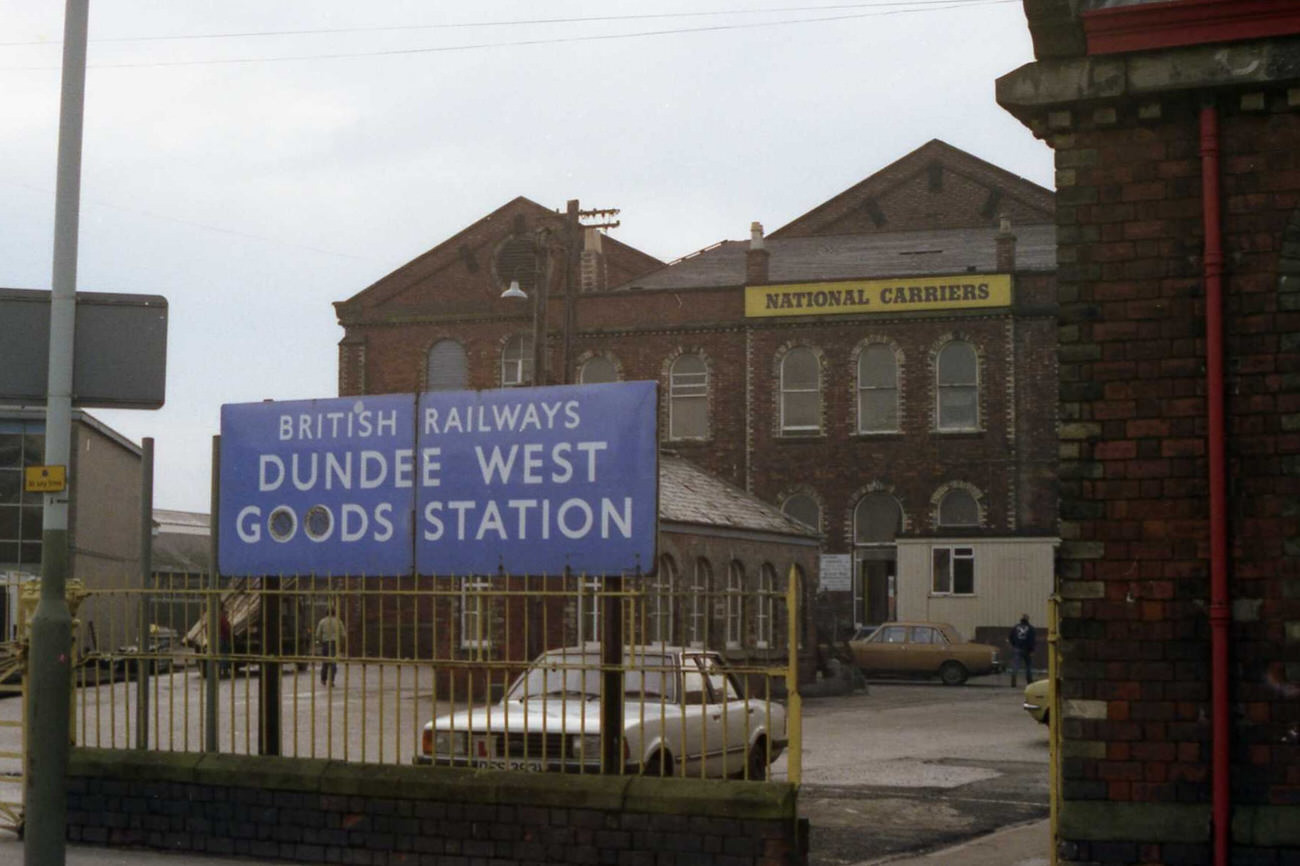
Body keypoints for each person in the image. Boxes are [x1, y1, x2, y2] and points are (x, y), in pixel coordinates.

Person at [315, 607, 346, 686]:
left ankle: (323, 679)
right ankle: (331, 680)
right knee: (333, 661)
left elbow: (318, 634)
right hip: (334, 642)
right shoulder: (338, 621)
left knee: (325, 661)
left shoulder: (322, 621)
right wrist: (340, 642)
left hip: (325, 643)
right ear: (334, 613)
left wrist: (321, 641)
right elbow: (343, 634)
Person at [1007, 613, 1036, 687]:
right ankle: (1029, 681)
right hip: (1027, 650)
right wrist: (1032, 650)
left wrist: (1014, 645)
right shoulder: (1031, 628)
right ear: (1027, 619)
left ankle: (1013, 681)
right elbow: (1032, 640)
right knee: (1028, 666)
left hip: (1017, 648)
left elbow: (1010, 637)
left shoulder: (1016, 627)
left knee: (1015, 666)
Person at [217, 604, 233, 678]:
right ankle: (224, 672)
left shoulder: (212, 616)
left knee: (217, 655)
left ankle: (218, 672)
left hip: (215, 639)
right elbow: (227, 628)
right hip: (223, 638)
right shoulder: (222, 617)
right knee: (224, 655)